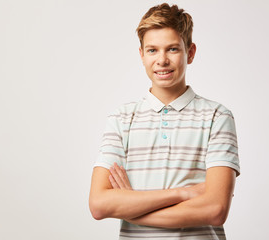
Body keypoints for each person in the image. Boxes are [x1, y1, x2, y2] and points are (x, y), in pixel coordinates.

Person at [89, 3, 240, 239]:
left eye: (172, 49)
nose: (162, 60)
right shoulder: (121, 119)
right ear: (141, 55)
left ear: (190, 52)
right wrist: (183, 194)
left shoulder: (217, 116)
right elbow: (99, 204)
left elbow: (215, 209)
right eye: (152, 50)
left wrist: (132, 208)